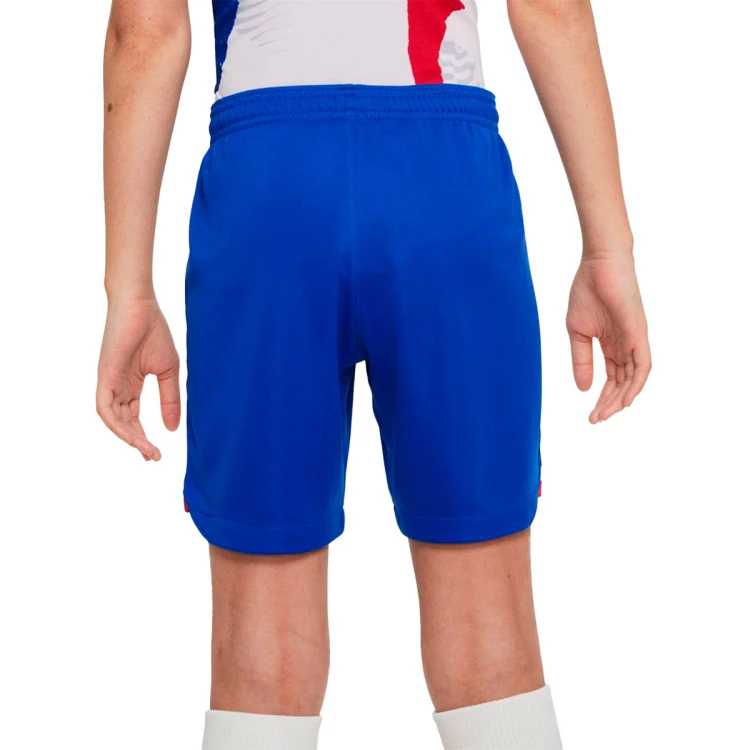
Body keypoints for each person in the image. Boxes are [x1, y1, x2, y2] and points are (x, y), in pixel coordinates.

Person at [96, 1, 651, 748]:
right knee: (488, 633)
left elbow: (146, 28)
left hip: (270, 183)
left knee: (262, 646)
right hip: (440, 175)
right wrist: (609, 250)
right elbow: (549, 8)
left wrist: (129, 290)